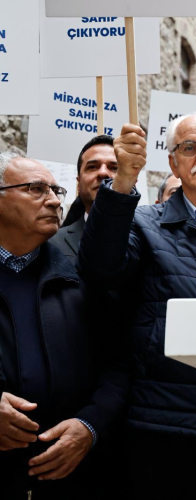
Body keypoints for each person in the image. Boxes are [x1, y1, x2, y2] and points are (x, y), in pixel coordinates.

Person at [77, 111, 196, 500]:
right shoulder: (144, 223)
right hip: (164, 424)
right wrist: (123, 180)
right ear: (173, 163)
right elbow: (99, 269)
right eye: (189, 147)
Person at [0, 152, 127, 499]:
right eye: (36, 188)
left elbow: (119, 365)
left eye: (56, 190)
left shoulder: (82, 278)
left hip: (71, 479)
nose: (55, 201)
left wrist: (90, 426)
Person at [50, 135, 117, 260]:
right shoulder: (51, 243)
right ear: (78, 184)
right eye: (92, 167)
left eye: (114, 168)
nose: (103, 173)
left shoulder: (148, 241)